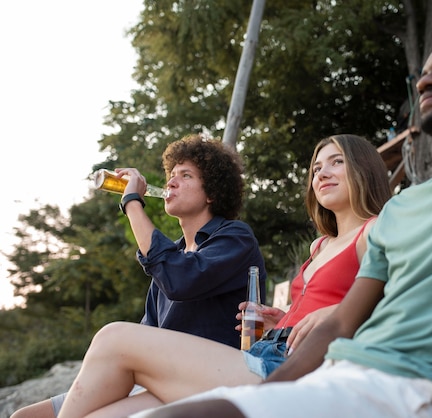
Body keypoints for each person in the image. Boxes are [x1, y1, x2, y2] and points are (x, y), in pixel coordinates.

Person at [129, 40, 432, 418]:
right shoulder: (403, 207)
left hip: (417, 390)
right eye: (424, 73)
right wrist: (266, 396)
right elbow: (343, 324)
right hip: (337, 376)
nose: (427, 80)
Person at [54, 134, 392, 418]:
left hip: (292, 368)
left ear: (364, 169)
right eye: (316, 168)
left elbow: (408, 294)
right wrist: (281, 320)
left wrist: (336, 312)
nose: (321, 174)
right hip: (268, 353)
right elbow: (309, 313)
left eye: (336, 162)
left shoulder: (376, 230)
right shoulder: (320, 246)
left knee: (114, 337)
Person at [10, 133, 267, 418]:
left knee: (113, 337)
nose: (171, 181)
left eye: (185, 175)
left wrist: (132, 202)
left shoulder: (234, 237)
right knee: (25, 416)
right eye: (171, 174)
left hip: (211, 375)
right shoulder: (173, 255)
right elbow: (148, 334)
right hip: (160, 379)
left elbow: (180, 281)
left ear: (212, 193)